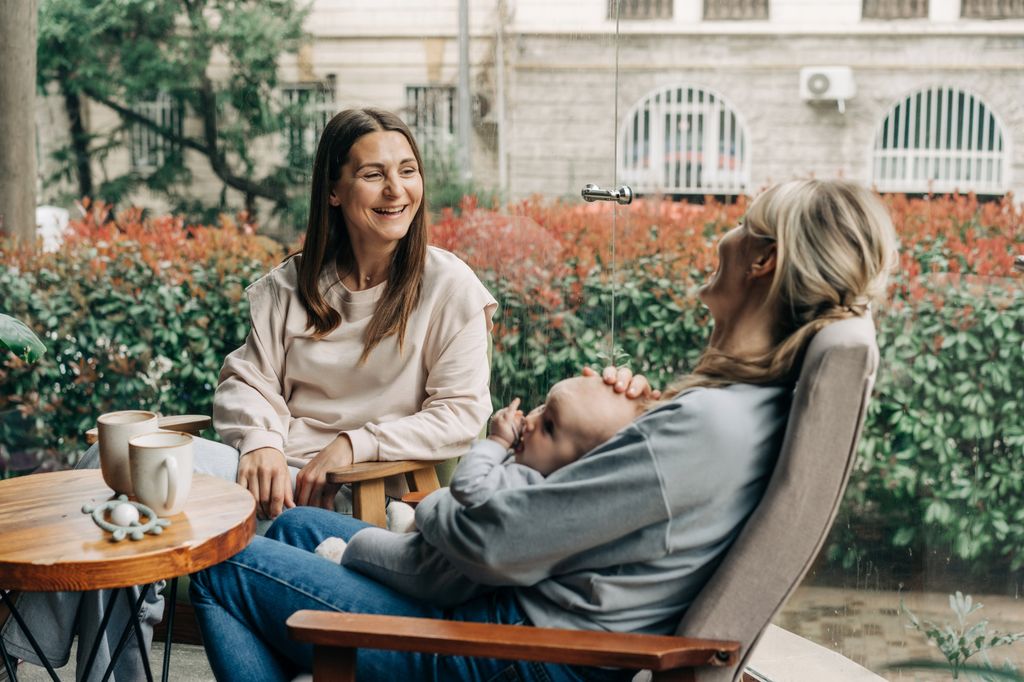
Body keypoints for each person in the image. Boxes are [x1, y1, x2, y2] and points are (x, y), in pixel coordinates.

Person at [190, 178, 898, 682]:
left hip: (508, 650)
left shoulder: (708, 427)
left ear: (764, 259)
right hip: (521, 621)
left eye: (742, 226)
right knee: (292, 529)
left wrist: (429, 508)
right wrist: (623, 424)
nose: (726, 235)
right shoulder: (738, 410)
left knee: (219, 568)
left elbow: (489, 541)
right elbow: (610, 515)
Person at [1, 108, 497, 680]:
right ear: (333, 191)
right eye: (373, 174)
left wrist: (353, 444)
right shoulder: (293, 285)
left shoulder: (449, 286)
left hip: (353, 501)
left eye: (408, 171)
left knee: (135, 496)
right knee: (114, 464)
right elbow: (245, 380)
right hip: (265, 482)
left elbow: (461, 413)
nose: (396, 190)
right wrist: (260, 442)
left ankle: (17, 649)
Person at [315, 375, 648, 606]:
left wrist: (498, 441)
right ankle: (407, 529)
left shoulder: (526, 486)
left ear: (578, 466)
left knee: (364, 542)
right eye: (542, 407)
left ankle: (341, 559)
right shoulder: (541, 479)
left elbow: (468, 485)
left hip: (428, 571)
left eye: (548, 426)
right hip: (443, 555)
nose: (532, 420)